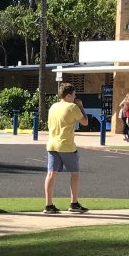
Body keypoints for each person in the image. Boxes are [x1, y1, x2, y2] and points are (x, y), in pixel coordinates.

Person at [43, 82, 88, 214]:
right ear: (68, 95)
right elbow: (85, 122)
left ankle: (48, 204)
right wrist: (81, 107)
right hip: (66, 145)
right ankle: (74, 203)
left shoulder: (53, 106)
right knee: (74, 174)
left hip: (52, 144)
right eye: (74, 94)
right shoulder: (72, 107)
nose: (75, 97)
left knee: (51, 174)